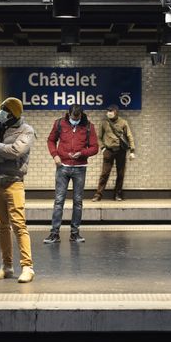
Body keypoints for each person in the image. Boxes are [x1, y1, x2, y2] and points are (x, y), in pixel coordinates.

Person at [0, 97, 36, 283]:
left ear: (13, 113)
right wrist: (3, 154)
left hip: (14, 183)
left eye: (4, 110)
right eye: (1, 109)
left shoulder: (26, 130)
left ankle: (27, 267)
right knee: (2, 228)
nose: (1, 112)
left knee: (19, 226)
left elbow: (16, 152)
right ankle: (7, 266)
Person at [43, 104, 98, 244]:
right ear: (68, 114)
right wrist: (55, 155)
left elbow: (95, 147)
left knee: (78, 202)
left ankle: (75, 234)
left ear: (81, 115)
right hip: (62, 167)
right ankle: (54, 234)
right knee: (59, 201)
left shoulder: (89, 127)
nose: (76, 120)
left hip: (80, 168)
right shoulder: (59, 123)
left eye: (78, 118)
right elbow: (50, 140)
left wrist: (82, 153)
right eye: (74, 118)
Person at [92, 104, 135, 202]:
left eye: (111, 111)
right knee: (104, 173)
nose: (109, 113)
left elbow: (129, 136)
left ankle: (118, 194)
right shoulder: (104, 123)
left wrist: (132, 150)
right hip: (108, 151)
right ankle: (98, 194)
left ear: (116, 112)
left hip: (121, 151)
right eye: (108, 111)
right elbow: (99, 137)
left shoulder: (123, 122)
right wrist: (103, 148)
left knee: (120, 174)